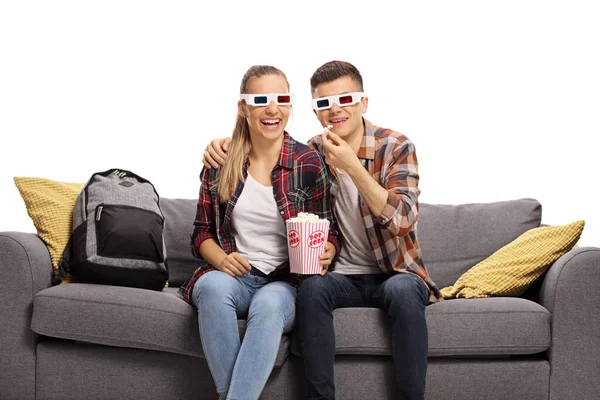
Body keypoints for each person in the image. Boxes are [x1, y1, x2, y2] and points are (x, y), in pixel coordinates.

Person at [201, 60, 442, 400]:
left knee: (404, 292)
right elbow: (268, 147)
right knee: (312, 287)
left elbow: (403, 220)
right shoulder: (311, 153)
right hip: (341, 275)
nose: (335, 111)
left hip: (394, 272)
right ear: (315, 111)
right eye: (324, 104)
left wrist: (353, 168)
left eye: (345, 100)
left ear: (364, 103)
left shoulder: (396, 146)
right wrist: (223, 144)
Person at [179, 65, 340, 400]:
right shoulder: (222, 161)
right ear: (243, 108)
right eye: (261, 99)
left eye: (281, 99)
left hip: (285, 281)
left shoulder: (308, 162)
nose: (272, 109)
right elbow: (201, 233)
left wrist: (330, 249)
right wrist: (222, 261)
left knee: (268, 306)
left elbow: (331, 228)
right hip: (236, 277)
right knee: (210, 287)